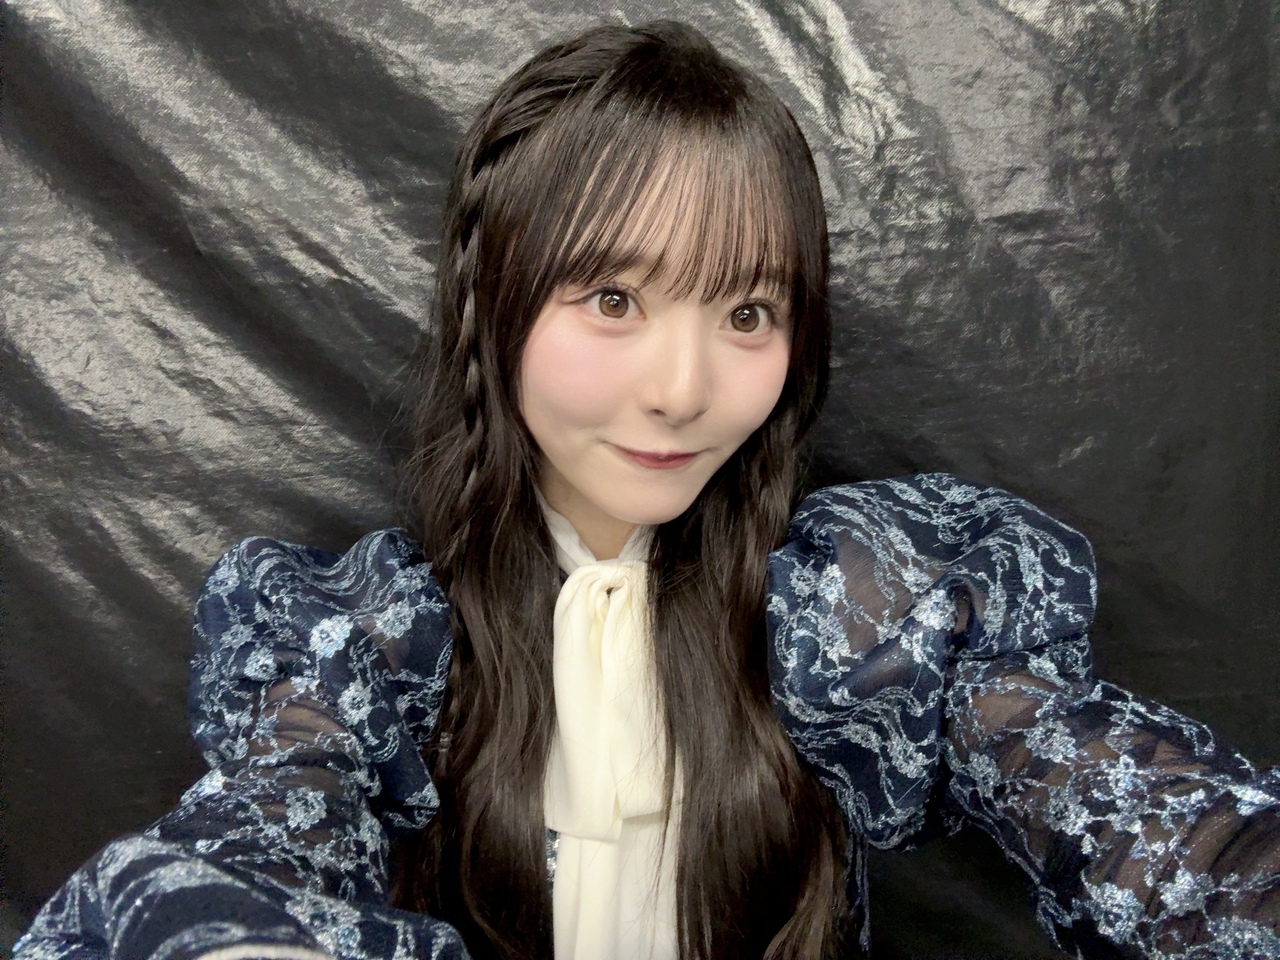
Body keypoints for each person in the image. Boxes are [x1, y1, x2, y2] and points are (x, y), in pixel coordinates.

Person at [12, 20, 1280, 960]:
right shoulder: (367, 641)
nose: (683, 389)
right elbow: (264, 832)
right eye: (613, 297)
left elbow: (1120, 802)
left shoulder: (859, 612)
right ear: (490, 305)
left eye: (747, 311)